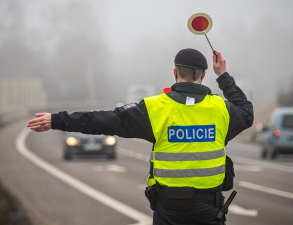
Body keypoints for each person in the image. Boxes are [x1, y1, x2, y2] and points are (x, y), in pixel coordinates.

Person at [27, 49, 253, 225]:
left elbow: (103, 119)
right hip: (209, 211)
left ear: (175, 72)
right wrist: (223, 77)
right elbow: (246, 112)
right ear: (204, 74)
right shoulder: (222, 109)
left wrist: (57, 120)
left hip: (169, 212)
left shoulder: (154, 108)